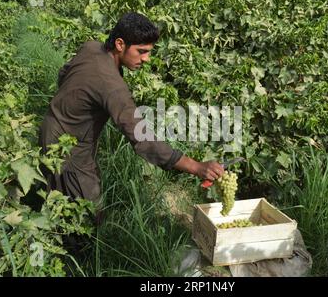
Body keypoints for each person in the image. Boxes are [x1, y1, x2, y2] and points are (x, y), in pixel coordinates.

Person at [38, 12, 224, 222]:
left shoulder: (91, 47)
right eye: (141, 51)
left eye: (149, 52)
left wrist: (70, 110)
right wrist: (196, 166)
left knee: (61, 197)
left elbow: (64, 73)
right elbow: (141, 137)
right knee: (86, 217)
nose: (146, 59)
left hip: (52, 128)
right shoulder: (112, 86)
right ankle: (78, 251)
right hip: (67, 148)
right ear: (120, 44)